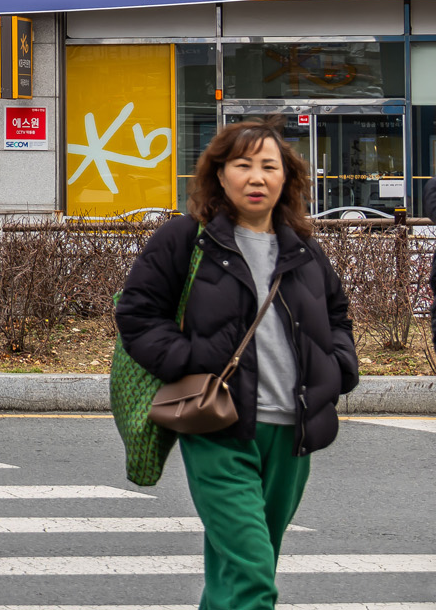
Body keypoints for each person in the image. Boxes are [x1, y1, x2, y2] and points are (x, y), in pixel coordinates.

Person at [116, 118, 358, 610]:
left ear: (286, 179)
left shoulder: (303, 248)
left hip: (293, 432)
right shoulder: (187, 239)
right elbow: (138, 315)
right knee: (252, 578)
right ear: (219, 174)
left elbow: (336, 316)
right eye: (243, 165)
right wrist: (189, 362)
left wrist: (337, 368)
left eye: (269, 166)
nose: (256, 177)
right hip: (220, 428)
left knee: (241, 572)